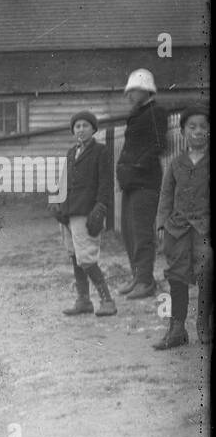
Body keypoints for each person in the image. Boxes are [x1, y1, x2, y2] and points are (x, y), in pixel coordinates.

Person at [153, 105, 210, 349]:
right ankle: (176, 329)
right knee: (176, 276)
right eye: (192, 127)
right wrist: (161, 226)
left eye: (203, 127)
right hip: (177, 229)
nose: (198, 132)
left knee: (206, 272)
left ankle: (204, 324)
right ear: (183, 131)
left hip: (205, 230)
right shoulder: (176, 163)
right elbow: (165, 196)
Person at [51, 111, 116, 318]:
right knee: (74, 254)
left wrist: (101, 207)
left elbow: (106, 182)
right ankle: (83, 300)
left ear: (94, 129)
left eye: (85, 126)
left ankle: (107, 300)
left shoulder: (101, 151)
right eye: (77, 126)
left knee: (86, 256)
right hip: (68, 211)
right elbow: (64, 181)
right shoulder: (71, 153)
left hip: (86, 211)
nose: (80, 129)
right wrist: (56, 202)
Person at [116, 68, 171, 300]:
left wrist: (136, 167)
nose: (129, 96)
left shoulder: (156, 112)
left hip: (145, 182)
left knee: (141, 234)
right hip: (130, 182)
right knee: (129, 232)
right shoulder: (137, 113)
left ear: (146, 90)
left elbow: (159, 146)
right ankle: (137, 276)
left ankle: (146, 281)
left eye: (133, 91)